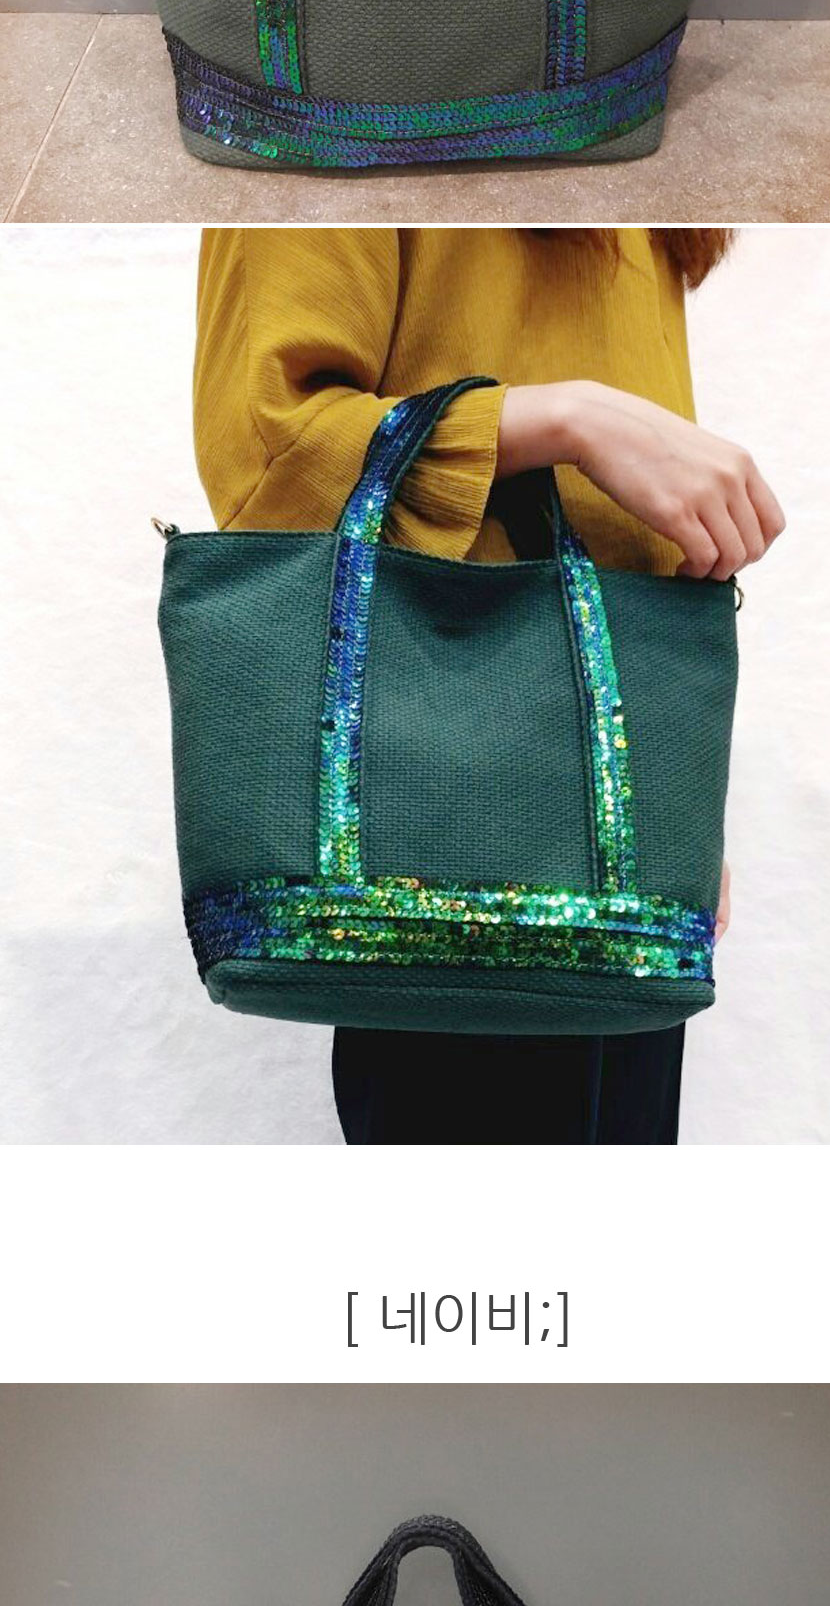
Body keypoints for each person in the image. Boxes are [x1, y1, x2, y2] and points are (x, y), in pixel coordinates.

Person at [194, 226, 784, 1147]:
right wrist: (575, 420)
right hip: (426, 817)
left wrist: (673, 807)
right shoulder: (368, 150)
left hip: (616, 856)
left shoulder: (640, 200)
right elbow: (272, 453)